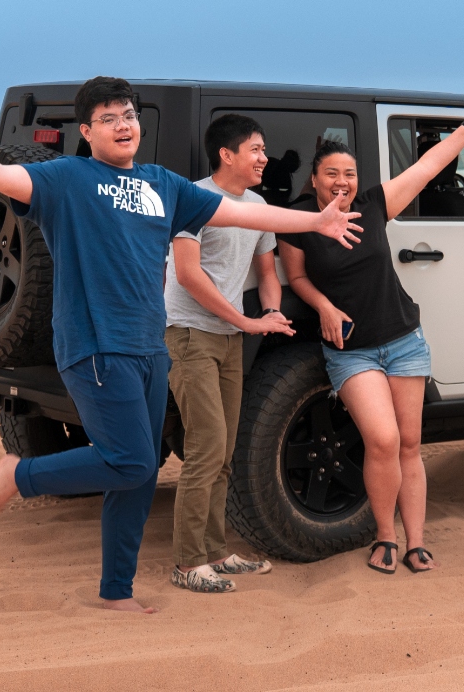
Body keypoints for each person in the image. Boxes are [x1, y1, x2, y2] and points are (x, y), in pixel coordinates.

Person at [0, 77, 362, 613]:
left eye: (128, 115)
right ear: (86, 132)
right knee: (129, 461)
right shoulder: (68, 178)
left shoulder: (162, 184)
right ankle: (20, 474)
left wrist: (316, 220)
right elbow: (1, 175)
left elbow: (243, 213)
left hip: (150, 346)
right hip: (95, 345)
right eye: (108, 118)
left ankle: (115, 591)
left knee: (139, 474)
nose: (122, 125)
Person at [277, 87, 464, 575]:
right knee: (382, 440)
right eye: (332, 174)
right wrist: (323, 305)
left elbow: (427, 167)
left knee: (410, 443)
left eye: (349, 174)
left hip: (402, 340)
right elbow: (296, 277)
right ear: (314, 179)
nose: (342, 182)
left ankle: (415, 542)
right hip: (352, 350)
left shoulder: (374, 204)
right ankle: (385, 536)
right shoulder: (297, 221)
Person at [163, 114, 294, 594]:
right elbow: (187, 274)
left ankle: (216, 552)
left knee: (224, 452)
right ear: (227, 154)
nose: (264, 158)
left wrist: (272, 311)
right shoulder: (194, 199)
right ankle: (187, 563)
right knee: (206, 447)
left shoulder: (257, 206)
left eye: (264, 149)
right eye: (255, 149)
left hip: (229, 338)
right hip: (191, 334)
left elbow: (267, 272)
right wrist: (244, 320)